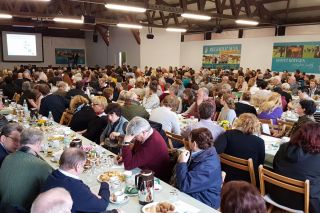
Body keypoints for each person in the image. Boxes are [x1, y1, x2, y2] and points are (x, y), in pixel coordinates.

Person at [42, 148, 112, 213]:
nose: (83, 168)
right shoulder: (75, 188)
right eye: (83, 166)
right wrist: (105, 184)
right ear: (78, 166)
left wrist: (88, 193)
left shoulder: (53, 175)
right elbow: (102, 205)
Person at [272, 122, 320, 213]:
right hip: (305, 203)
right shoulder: (317, 157)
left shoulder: (284, 147)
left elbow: (274, 166)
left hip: (277, 194)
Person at [0, 128, 52, 210]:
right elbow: (48, 193)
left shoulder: (8, 157)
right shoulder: (43, 166)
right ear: (38, 143)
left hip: (3, 206)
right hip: (20, 210)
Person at [176, 128, 222, 209]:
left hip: (204, 201)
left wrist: (182, 163)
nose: (188, 142)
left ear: (194, 144)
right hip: (197, 191)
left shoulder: (208, 166)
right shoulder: (208, 151)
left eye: (189, 140)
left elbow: (184, 185)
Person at [215, 113, 265, 183]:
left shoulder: (228, 134)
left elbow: (216, 150)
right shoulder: (259, 142)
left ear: (239, 122)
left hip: (224, 176)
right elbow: (260, 165)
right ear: (255, 125)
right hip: (247, 181)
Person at [120, 117, 170, 181]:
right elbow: (134, 153)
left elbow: (128, 166)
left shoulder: (153, 143)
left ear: (143, 132)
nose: (134, 138)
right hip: (143, 169)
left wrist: (126, 143)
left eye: (135, 136)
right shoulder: (146, 135)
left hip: (155, 179)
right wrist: (123, 157)